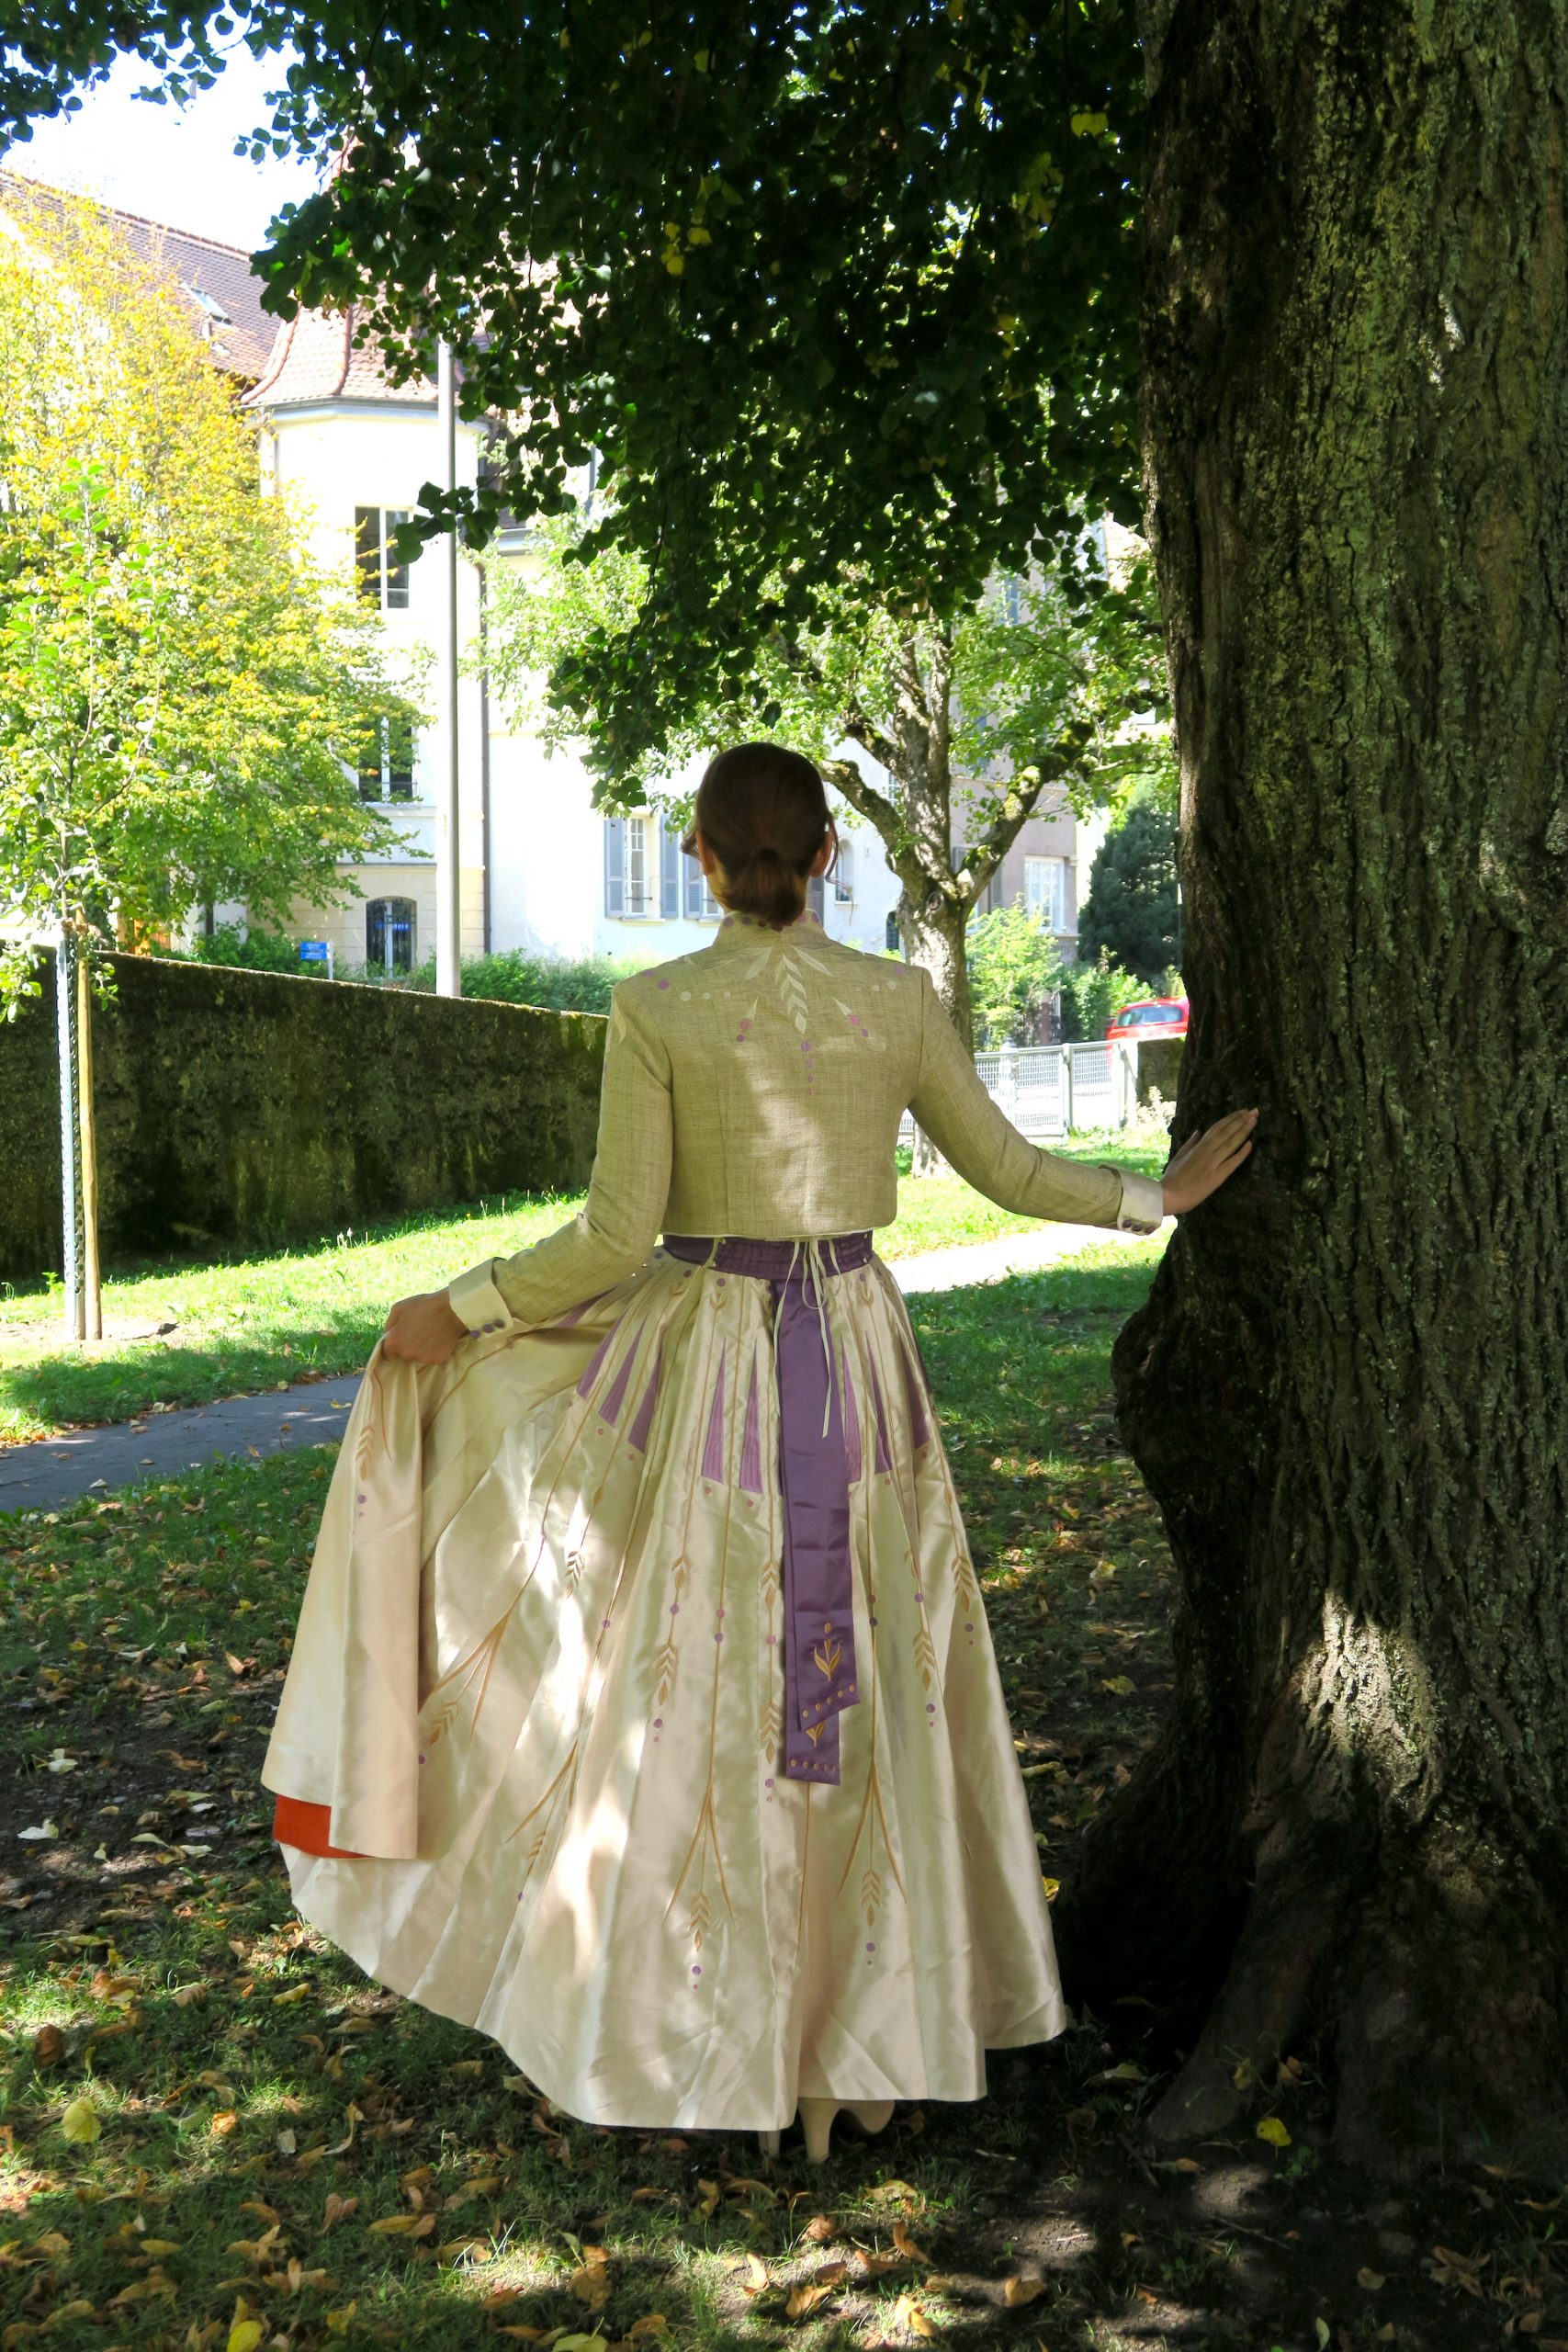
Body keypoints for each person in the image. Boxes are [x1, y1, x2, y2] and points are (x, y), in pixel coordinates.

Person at [263, 742, 1255, 2163]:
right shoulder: (897, 999)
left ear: (700, 854)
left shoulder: (657, 1006)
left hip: (713, 1362)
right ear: (830, 855)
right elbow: (1003, 1168)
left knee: (687, 1672)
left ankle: (699, 2021)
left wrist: (461, 1306)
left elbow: (615, 1237)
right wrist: (1147, 1197)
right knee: (873, 1662)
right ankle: (867, 2028)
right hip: (855, 1354)